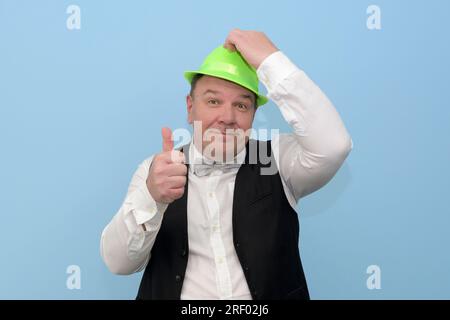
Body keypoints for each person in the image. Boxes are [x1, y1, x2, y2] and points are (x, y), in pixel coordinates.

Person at [100, 29, 352, 300]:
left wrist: (271, 61)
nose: (227, 117)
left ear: (254, 115)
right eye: (213, 101)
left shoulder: (277, 159)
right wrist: (151, 197)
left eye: (242, 106)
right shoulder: (156, 171)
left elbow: (334, 146)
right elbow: (118, 263)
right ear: (190, 107)